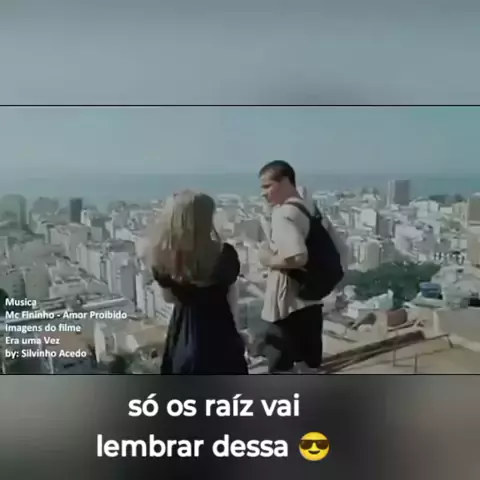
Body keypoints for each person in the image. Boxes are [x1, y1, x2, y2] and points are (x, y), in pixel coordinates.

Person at [148, 190, 248, 374]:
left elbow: (169, 298)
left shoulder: (163, 258)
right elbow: (231, 296)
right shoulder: (224, 254)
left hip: (184, 330)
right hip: (221, 329)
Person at [257, 161, 343, 373]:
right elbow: (342, 249)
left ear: (286, 181)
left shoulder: (283, 213)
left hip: (287, 304)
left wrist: (268, 259)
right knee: (309, 364)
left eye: (268, 186)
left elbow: (298, 257)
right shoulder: (311, 209)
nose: (263, 193)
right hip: (311, 299)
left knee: (280, 367)